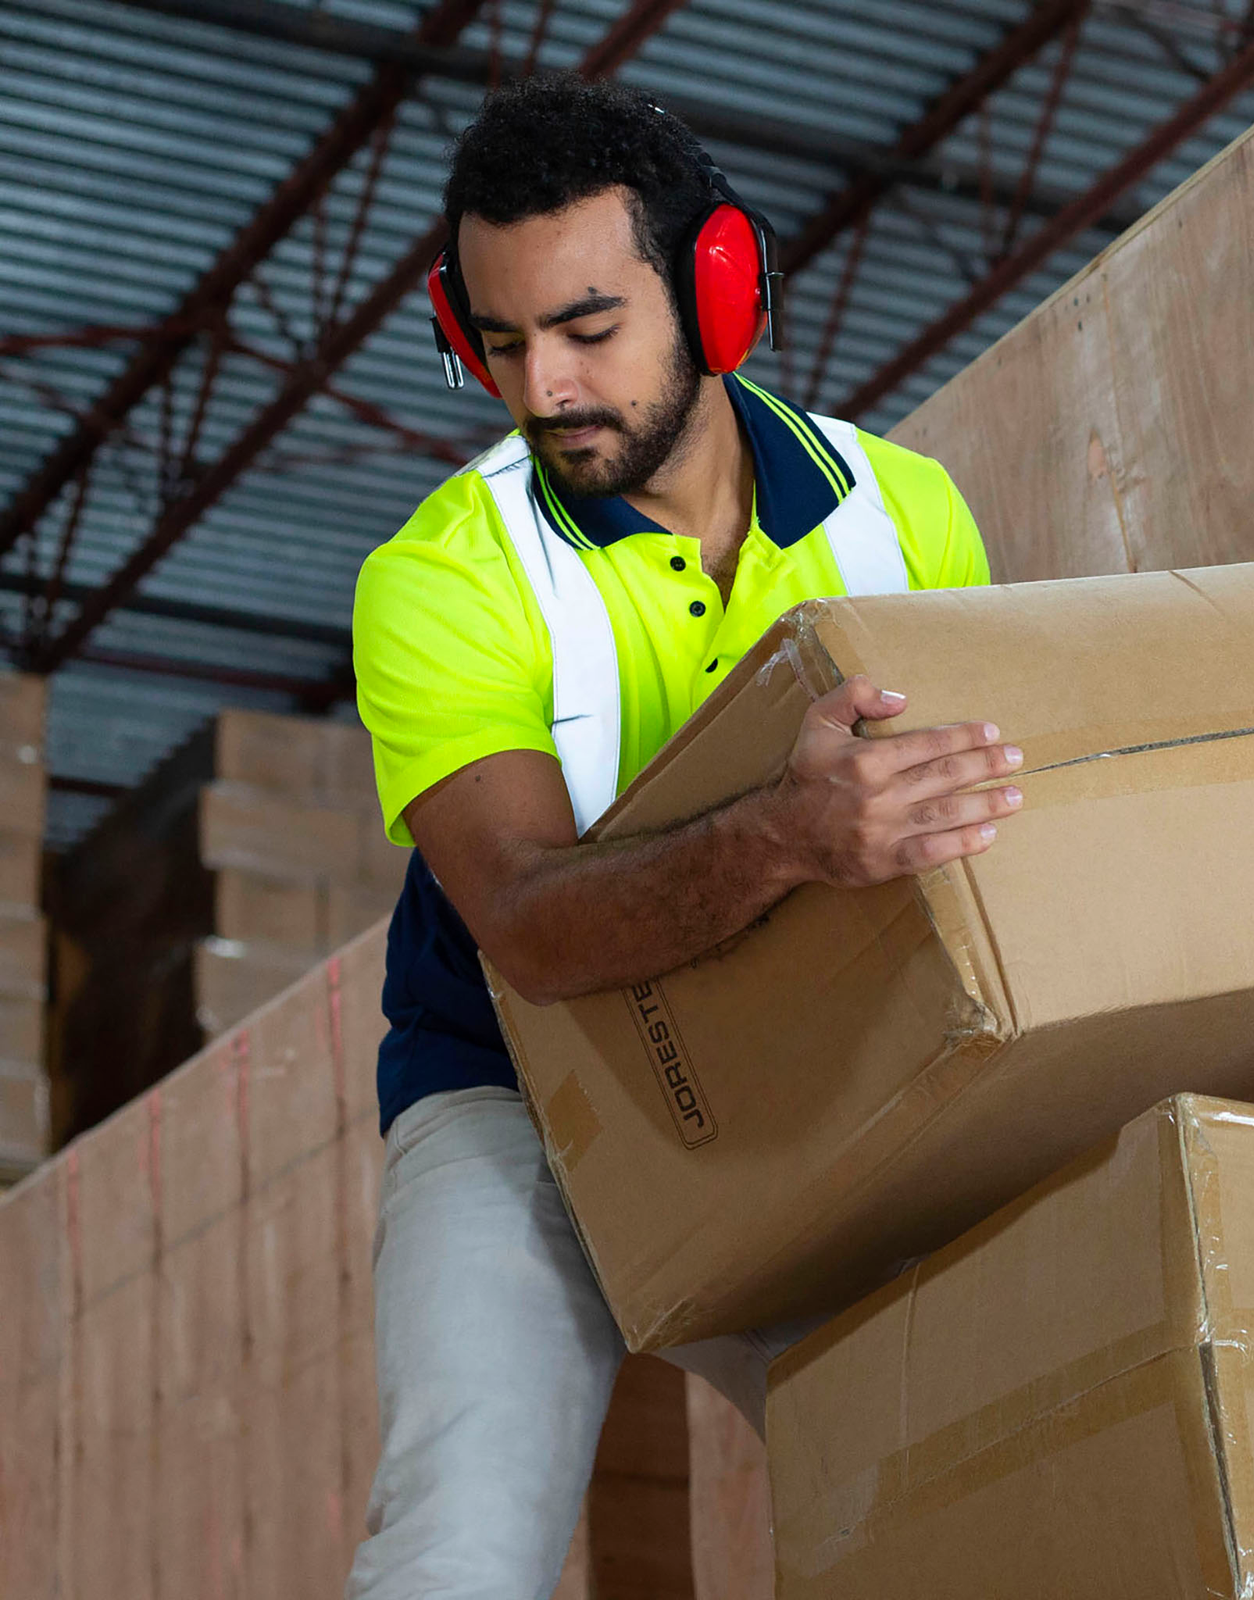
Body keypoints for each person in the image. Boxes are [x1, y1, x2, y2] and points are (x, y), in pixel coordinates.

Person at [346, 73, 1024, 1599]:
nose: (547, 389)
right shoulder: (441, 581)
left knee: (975, 1480)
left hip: (804, 1074)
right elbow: (522, 919)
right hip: (517, 1093)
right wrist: (788, 835)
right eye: (503, 342)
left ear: (719, 291)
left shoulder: (903, 514)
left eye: (591, 329)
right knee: (457, 1545)